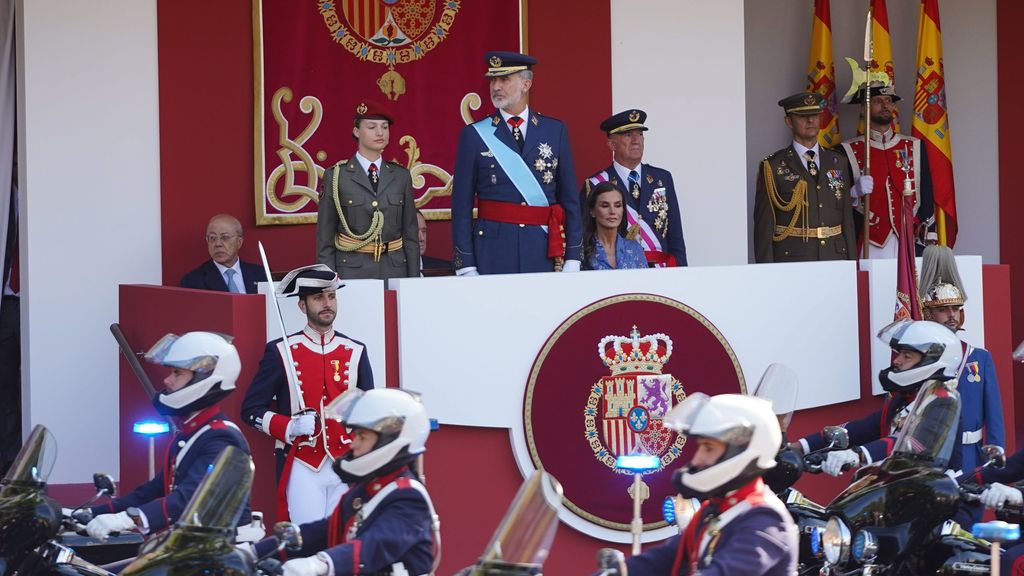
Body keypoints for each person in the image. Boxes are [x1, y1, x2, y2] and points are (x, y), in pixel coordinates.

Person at [249, 388, 438, 576]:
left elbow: (372, 547)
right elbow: (321, 532)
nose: (353, 444)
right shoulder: (365, 490)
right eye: (355, 435)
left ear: (391, 441)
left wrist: (317, 565)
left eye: (362, 437)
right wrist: (253, 553)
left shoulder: (408, 497)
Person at [86, 332, 255, 539]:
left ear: (205, 379)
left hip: (223, 552)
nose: (167, 380)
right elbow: (154, 490)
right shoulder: (194, 430)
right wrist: (91, 514)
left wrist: (129, 519)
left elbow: (191, 497)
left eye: (177, 373)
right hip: (192, 547)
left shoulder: (222, 438)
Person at [240, 264, 374, 524]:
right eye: (318, 297)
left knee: (344, 544)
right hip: (302, 463)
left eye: (331, 296)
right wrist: (289, 425)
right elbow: (251, 410)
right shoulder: (280, 351)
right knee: (305, 543)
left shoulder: (355, 350)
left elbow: (368, 414)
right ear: (302, 305)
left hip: (346, 464)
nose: (327, 303)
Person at [611, 393, 797, 575]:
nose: (697, 458)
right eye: (699, 447)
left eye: (708, 448)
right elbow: (663, 559)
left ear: (741, 452)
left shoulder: (766, 521)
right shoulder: (715, 509)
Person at [451, 51, 582, 275]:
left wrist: (573, 256)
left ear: (526, 84)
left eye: (504, 79)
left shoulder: (554, 130)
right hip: (492, 249)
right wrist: (466, 265)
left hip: (541, 247)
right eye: (493, 79)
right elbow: (461, 205)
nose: (496, 87)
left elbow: (569, 198)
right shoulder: (474, 135)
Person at [792, 319, 964, 476]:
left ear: (932, 362)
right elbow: (862, 429)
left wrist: (856, 454)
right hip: (896, 490)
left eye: (907, 356)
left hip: (934, 498)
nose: (897, 361)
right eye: (900, 354)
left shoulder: (942, 403)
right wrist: (799, 446)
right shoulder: (903, 400)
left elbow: (908, 443)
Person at [919, 244, 1004, 472]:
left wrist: (995, 450)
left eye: (956, 309)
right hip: (930, 458)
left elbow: (994, 415)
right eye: (943, 310)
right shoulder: (917, 359)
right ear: (928, 313)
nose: (952, 315)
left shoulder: (980, 357)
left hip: (970, 456)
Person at [317, 101, 419, 279]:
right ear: (356, 131)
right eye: (372, 127)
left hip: (394, 270)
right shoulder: (336, 176)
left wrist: (413, 280)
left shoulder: (401, 176)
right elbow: (325, 239)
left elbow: (410, 236)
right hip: (351, 271)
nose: (380, 133)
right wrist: (329, 282)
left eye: (385, 127)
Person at [753, 92, 859, 263]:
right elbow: (764, 227)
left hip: (835, 256)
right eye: (803, 116)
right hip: (794, 259)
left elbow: (847, 220)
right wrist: (766, 273)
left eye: (815, 115)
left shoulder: (838, 161)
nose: (811, 120)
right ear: (789, 122)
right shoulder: (772, 166)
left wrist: (853, 265)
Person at [582, 109, 687, 267]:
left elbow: (675, 237)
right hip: (620, 271)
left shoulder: (662, 179)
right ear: (611, 144)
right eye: (628, 135)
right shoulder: (596, 184)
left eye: (640, 134)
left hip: (662, 271)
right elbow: (586, 235)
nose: (636, 140)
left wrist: (682, 273)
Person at [840, 83, 934, 258]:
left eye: (888, 101)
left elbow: (926, 193)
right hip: (869, 239)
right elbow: (835, 200)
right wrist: (853, 193)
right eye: (877, 101)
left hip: (909, 237)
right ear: (863, 109)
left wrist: (930, 232)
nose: (885, 105)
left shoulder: (914, 146)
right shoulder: (847, 150)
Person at [180, 214, 267, 294]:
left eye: (225, 237)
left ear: (239, 242)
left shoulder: (262, 274)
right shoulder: (192, 281)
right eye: (212, 238)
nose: (218, 244)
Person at [582, 181, 647, 270]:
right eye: (605, 206)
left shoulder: (635, 249)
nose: (612, 211)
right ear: (592, 211)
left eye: (618, 205)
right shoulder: (581, 251)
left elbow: (645, 282)